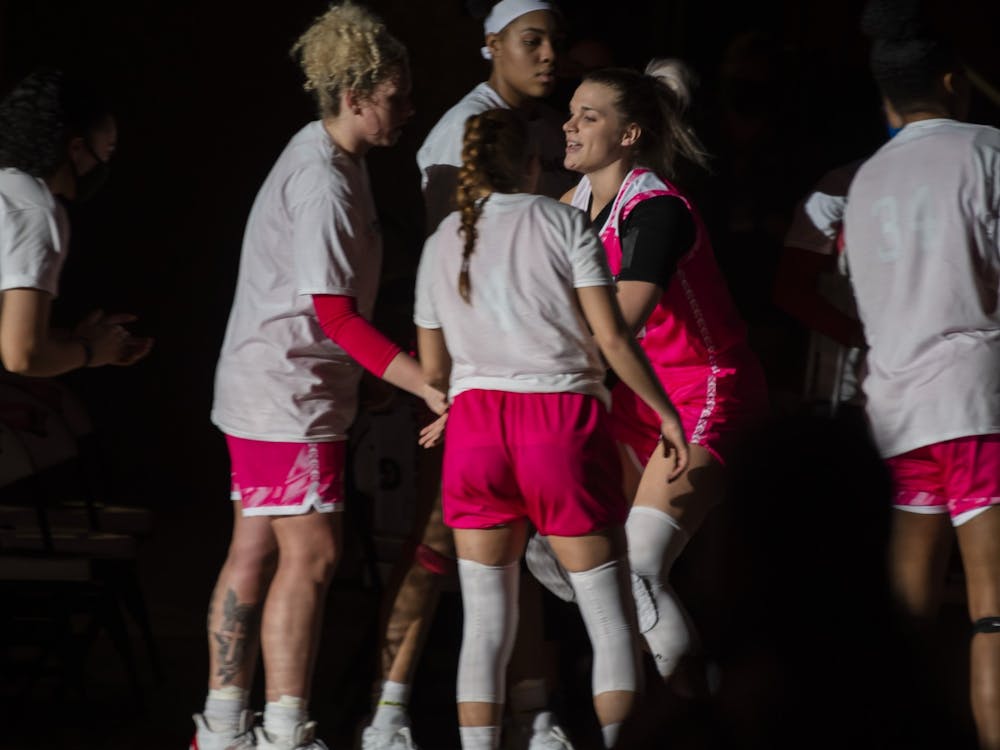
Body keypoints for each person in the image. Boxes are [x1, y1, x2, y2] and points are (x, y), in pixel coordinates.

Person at [194, 4, 445, 750]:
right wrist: (423, 382)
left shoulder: (339, 161)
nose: (408, 109)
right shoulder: (323, 183)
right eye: (397, 96)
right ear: (354, 95)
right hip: (285, 397)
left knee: (256, 548)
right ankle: (279, 730)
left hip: (274, 387)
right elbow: (335, 317)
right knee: (313, 554)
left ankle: (226, 727)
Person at [414, 106, 689, 750]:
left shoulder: (439, 243)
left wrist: (458, 399)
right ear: (531, 165)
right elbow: (613, 338)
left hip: (476, 429)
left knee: (484, 628)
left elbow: (434, 372)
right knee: (611, 619)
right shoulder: (563, 221)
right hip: (560, 423)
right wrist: (668, 414)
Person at [364, 3, 575, 748]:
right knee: (435, 539)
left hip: (538, 385)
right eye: (532, 41)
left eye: (555, 40)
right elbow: (445, 267)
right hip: (482, 382)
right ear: (491, 44)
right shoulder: (459, 129)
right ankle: (387, 714)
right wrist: (445, 388)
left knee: (525, 548)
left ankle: (530, 709)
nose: (549, 54)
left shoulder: (551, 127)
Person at [530, 64, 767, 687]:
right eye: (570, 112)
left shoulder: (656, 208)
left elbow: (622, 323)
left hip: (701, 393)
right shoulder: (569, 206)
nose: (569, 125)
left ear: (630, 134)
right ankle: (652, 706)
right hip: (636, 400)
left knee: (633, 569)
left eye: (589, 116)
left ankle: (699, 721)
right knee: (554, 548)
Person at [844, 1, 1000, 747]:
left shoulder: (866, 179)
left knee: (898, 631)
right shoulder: (987, 149)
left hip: (896, 417)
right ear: (950, 80)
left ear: (885, 99)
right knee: (991, 613)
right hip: (976, 404)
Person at [0, 69, 152, 376]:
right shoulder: (33, 210)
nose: (104, 166)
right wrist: (90, 352)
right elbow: (23, 355)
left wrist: (74, 341)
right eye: (106, 152)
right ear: (76, 148)